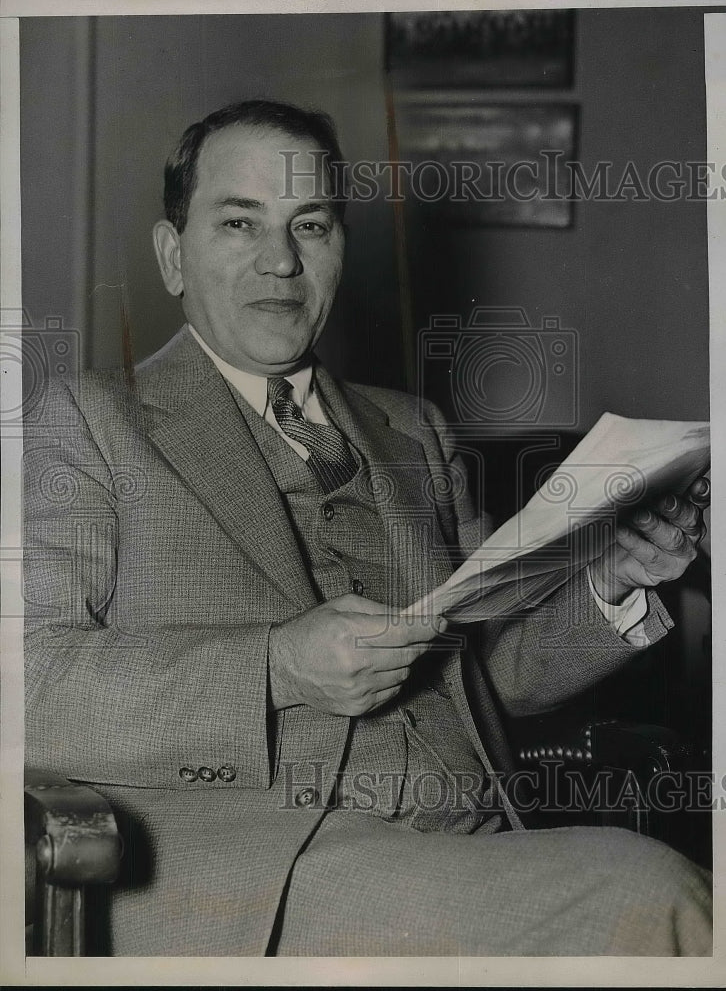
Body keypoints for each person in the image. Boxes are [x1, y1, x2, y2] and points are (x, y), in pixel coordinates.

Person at [23, 100, 712, 956]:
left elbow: (488, 680)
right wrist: (275, 666)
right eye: (240, 222)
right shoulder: (88, 420)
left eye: (309, 224)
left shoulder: (412, 431)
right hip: (260, 874)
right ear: (174, 256)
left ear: (340, 250)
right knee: (652, 895)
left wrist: (609, 583)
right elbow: (28, 687)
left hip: (468, 838)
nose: (280, 260)